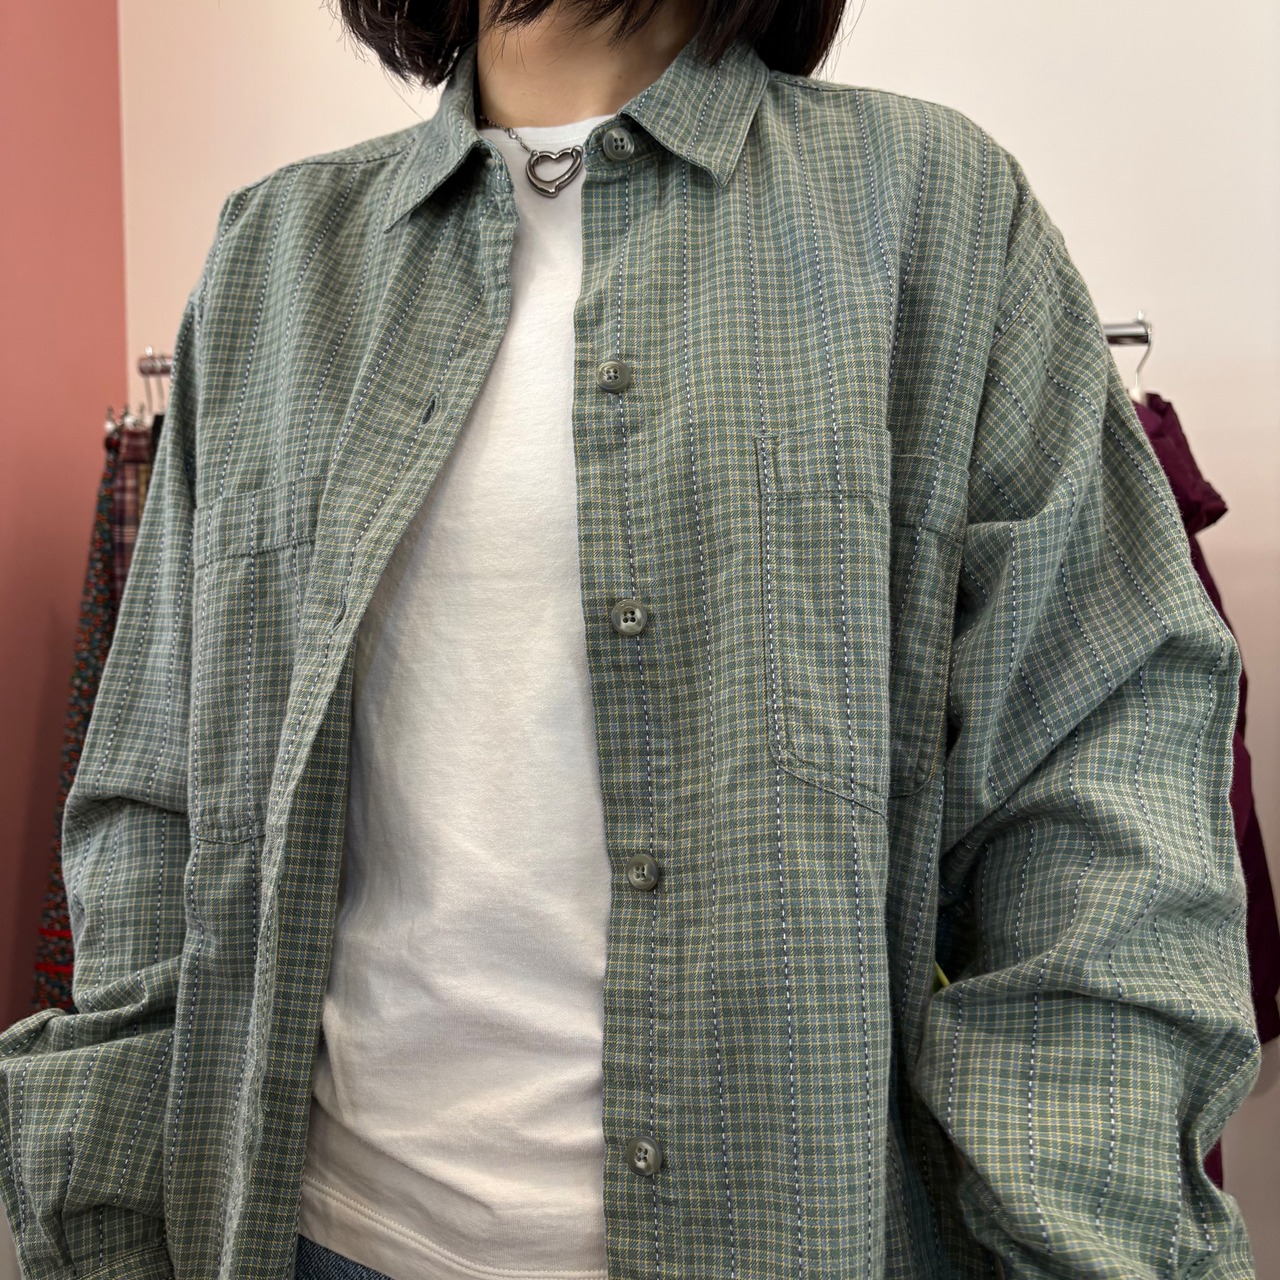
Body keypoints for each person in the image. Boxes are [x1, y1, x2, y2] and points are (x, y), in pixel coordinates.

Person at [0, 0, 1263, 1277]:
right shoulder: (275, 258)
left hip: (783, 1237)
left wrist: (1082, 1233)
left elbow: (1095, 798)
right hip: (310, 1232)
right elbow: (155, 801)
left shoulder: (927, 209)